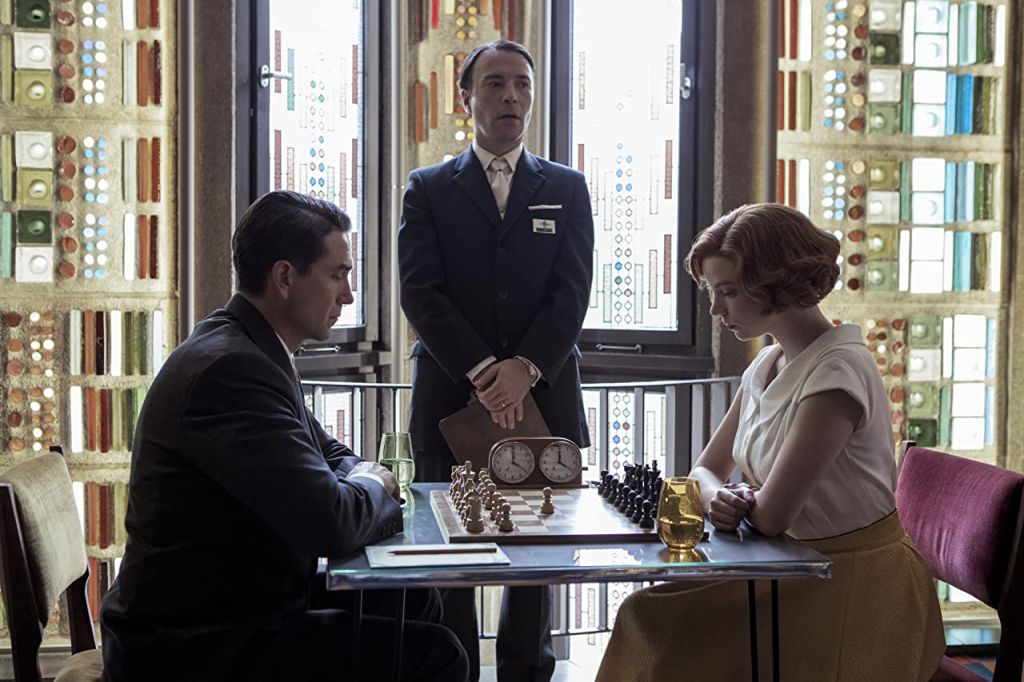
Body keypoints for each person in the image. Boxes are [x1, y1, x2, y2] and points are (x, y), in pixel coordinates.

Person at [100, 191, 468, 681]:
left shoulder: (249, 346)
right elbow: (330, 522)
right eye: (337, 274)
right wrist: (375, 481)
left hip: (237, 604)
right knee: (437, 654)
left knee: (411, 599)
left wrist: (358, 475)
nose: (348, 295)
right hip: (189, 644)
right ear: (285, 277)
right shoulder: (231, 369)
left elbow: (327, 452)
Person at [596, 204, 945, 681]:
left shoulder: (837, 373)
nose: (716, 310)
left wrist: (736, 502)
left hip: (851, 584)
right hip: (791, 566)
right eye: (712, 293)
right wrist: (723, 499)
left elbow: (772, 515)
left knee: (653, 622)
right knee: (647, 613)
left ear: (776, 282)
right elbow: (704, 471)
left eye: (728, 292)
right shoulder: (765, 364)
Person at [398, 41, 594, 681]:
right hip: (451, 397)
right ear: (467, 98)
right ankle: (453, 668)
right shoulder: (428, 188)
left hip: (547, 394)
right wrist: (486, 371)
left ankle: (527, 672)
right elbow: (419, 292)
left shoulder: (566, 187)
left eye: (522, 84)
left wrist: (525, 368)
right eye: (494, 83)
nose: (510, 95)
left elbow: (572, 293)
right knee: (449, 547)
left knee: (540, 551)